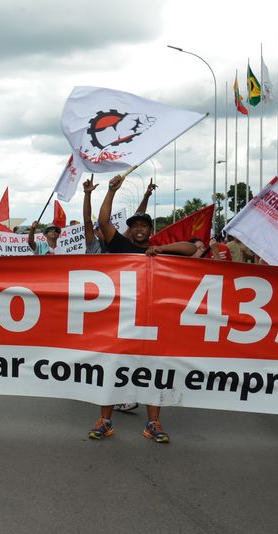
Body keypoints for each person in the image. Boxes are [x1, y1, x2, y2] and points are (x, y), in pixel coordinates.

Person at [88, 174, 169, 443]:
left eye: (143, 225)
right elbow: (103, 222)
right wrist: (111, 191)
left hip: (151, 323)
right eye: (134, 225)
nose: (138, 229)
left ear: (150, 230)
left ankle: (153, 424)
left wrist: (159, 250)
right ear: (130, 229)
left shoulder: (161, 252)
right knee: (112, 370)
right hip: (120, 322)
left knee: (153, 373)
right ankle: (105, 421)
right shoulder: (121, 246)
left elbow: (192, 248)